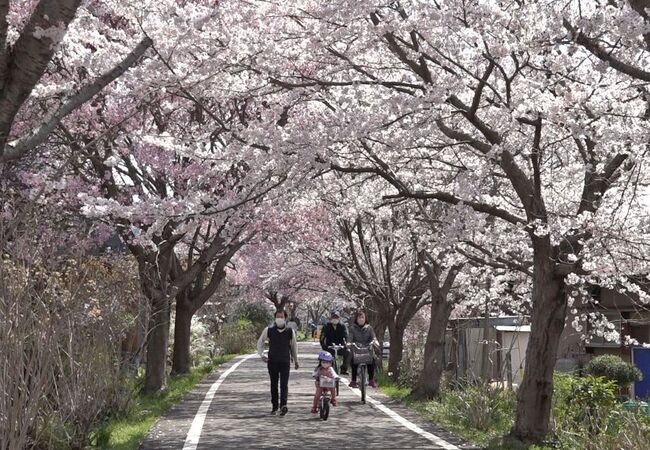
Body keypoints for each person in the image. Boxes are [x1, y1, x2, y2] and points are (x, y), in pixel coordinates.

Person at [257, 310, 300, 416]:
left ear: (285, 318)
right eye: (277, 316)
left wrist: (296, 360)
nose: (279, 318)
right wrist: (262, 354)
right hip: (272, 361)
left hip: (285, 361)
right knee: (274, 384)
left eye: (281, 317)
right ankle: (274, 406)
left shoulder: (290, 331)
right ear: (275, 318)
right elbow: (260, 342)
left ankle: (283, 405)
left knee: (284, 384)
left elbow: (294, 346)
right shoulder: (269, 330)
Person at [348, 310, 378, 388]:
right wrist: (349, 343)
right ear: (356, 319)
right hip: (356, 348)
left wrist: (375, 342)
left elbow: (373, 337)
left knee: (372, 361)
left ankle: (371, 380)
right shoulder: (352, 328)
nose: (361, 319)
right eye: (359, 318)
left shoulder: (369, 328)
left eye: (362, 317)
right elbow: (350, 338)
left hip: (367, 348)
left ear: (365, 319)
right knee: (353, 361)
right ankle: (353, 380)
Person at [319, 310, 350, 375]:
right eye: (333, 317)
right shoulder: (326, 326)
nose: (335, 319)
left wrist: (345, 344)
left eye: (336, 318)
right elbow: (322, 337)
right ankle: (321, 370)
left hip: (340, 346)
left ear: (339, 318)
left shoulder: (343, 326)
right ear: (330, 318)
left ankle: (344, 369)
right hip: (329, 346)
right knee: (323, 356)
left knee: (348, 352)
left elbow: (346, 336)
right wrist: (324, 346)